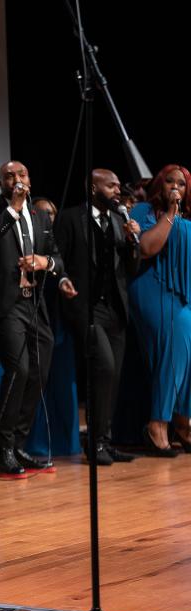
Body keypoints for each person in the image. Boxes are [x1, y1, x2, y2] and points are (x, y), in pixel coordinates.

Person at [0, 161, 73, 477]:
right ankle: (2, 450)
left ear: (30, 179)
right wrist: (14, 208)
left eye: (22, 175)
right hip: (6, 303)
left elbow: (56, 256)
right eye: (9, 176)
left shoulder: (41, 215)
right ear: (1, 181)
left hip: (35, 303)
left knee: (40, 372)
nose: (17, 180)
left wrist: (51, 268)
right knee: (19, 370)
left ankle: (17, 445)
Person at [54, 169, 140, 464]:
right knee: (103, 366)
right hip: (86, 306)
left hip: (115, 307)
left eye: (118, 184)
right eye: (111, 185)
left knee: (113, 373)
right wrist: (62, 280)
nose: (118, 190)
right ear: (92, 188)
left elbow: (131, 267)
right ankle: (94, 442)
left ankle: (104, 439)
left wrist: (132, 242)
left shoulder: (119, 220)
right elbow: (58, 255)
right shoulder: (69, 218)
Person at [128, 164, 191, 455]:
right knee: (169, 353)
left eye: (181, 183)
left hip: (184, 295)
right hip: (152, 289)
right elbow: (146, 249)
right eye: (169, 182)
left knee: (186, 358)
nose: (175, 187)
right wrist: (170, 213)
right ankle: (158, 424)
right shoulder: (143, 211)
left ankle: (181, 419)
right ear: (159, 184)